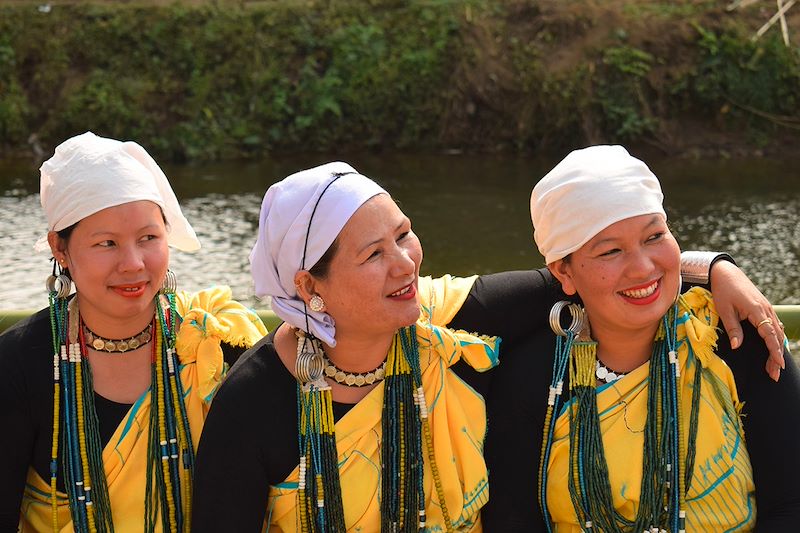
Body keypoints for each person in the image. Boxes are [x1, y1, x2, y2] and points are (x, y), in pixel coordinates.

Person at [191, 160, 786, 532]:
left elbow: (605, 269)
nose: (405, 264)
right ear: (307, 286)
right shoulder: (255, 402)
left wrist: (714, 267)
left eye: (403, 235)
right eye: (373, 254)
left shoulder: (444, 323)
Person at [476, 145, 800, 531]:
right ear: (563, 272)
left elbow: (791, 504)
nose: (643, 268)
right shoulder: (533, 379)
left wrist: (715, 264)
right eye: (610, 251)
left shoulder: (733, 340)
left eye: (654, 236)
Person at [0, 132, 267, 532]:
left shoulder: (214, 341)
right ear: (60, 249)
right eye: (107, 243)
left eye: (149, 238)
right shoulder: (18, 363)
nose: (133, 263)